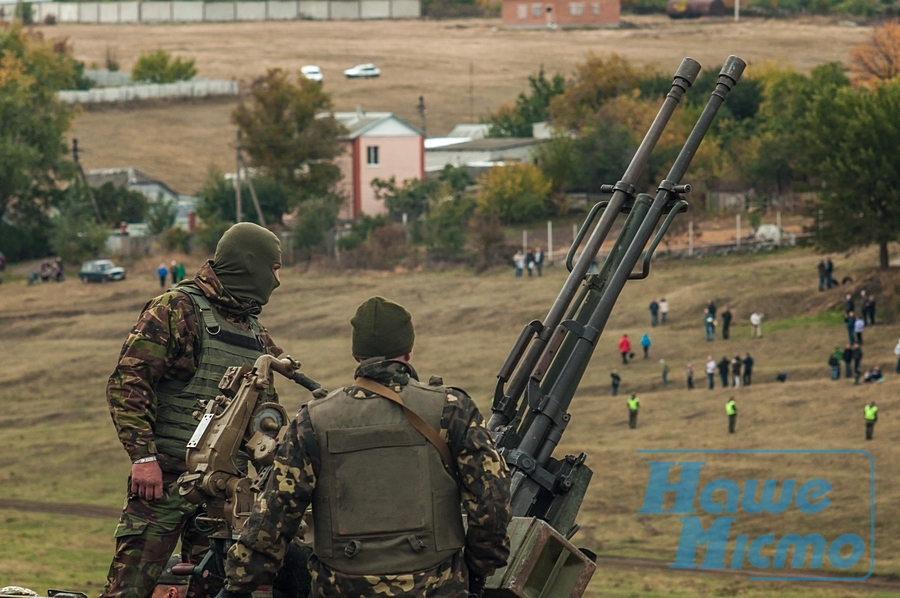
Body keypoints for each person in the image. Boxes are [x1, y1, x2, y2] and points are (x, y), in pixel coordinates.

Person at [221, 296, 512, 598]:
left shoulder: (314, 419)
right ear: (408, 353)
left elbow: (274, 514)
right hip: (436, 586)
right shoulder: (452, 410)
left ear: (357, 357)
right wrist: (478, 571)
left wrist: (240, 583)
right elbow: (492, 500)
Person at [101, 223, 285, 598]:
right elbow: (128, 384)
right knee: (130, 589)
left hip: (225, 496)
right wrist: (143, 459)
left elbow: (264, 418)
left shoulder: (256, 335)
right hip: (164, 481)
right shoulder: (175, 309)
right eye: (275, 268)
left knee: (218, 590)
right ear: (250, 265)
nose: (278, 280)